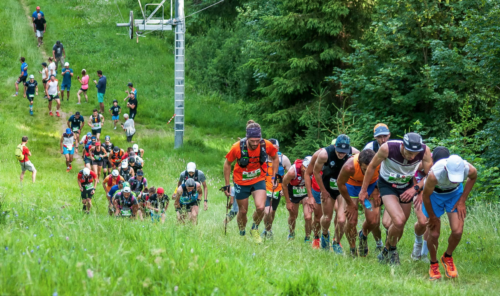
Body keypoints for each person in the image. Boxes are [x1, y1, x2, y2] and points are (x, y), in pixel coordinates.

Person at [360, 132, 432, 265]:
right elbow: (371, 166)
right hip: (387, 185)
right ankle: (393, 251)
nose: (411, 156)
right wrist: (364, 190)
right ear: (403, 145)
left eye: (415, 154)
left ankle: (386, 251)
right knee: (398, 221)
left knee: (400, 225)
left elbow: (430, 175)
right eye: (409, 152)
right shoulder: (387, 148)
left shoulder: (424, 151)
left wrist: (416, 189)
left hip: (406, 186)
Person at [223, 120, 279, 244]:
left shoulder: (265, 144)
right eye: (252, 141)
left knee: (261, 207)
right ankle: (242, 233)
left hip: (258, 179)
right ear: (247, 138)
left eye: (257, 141)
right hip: (241, 181)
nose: (255, 143)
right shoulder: (237, 147)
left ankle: (254, 228)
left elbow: (275, 157)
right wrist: (227, 185)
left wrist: (275, 177)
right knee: (243, 211)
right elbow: (227, 164)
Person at [423, 155, 477, 280]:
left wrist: (462, 200)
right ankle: (433, 264)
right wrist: (432, 216)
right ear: (446, 170)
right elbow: (425, 196)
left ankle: (447, 257)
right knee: (434, 233)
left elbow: (473, 178)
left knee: (457, 231)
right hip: (434, 196)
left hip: (454, 194)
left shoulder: (468, 169)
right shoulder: (434, 175)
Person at [306, 134, 359, 254]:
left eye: (344, 152)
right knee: (327, 217)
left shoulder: (355, 153)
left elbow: (363, 165)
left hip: (342, 188)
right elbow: (315, 172)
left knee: (341, 220)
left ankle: (336, 243)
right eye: (339, 151)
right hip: (328, 188)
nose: (341, 154)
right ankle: (325, 235)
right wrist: (323, 190)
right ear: (335, 146)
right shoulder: (324, 154)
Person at [337, 149, 384, 257]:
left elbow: (384, 176)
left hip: (371, 185)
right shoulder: (349, 166)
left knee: (373, 221)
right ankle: (353, 249)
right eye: (364, 169)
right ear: (359, 164)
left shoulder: (380, 163)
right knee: (352, 220)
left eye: (370, 169)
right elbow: (340, 183)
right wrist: (349, 204)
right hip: (352, 186)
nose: (368, 172)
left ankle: (363, 234)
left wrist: (377, 189)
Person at [261, 138, 291, 238]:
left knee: (272, 212)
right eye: (270, 148)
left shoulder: (284, 159)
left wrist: (284, 188)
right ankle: (265, 230)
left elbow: (290, 175)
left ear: (278, 148)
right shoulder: (262, 158)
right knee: (267, 211)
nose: (273, 150)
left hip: (277, 190)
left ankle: (268, 230)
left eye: (275, 148)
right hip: (264, 189)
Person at [282, 156, 313, 241]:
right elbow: (284, 184)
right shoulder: (293, 172)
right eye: (305, 169)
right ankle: (291, 233)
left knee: (308, 217)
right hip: (293, 191)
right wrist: (288, 202)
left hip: (306, 192)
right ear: (302, 166)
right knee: (293, 216)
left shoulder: (314, 171)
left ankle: (307, 237)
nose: (306, 172)